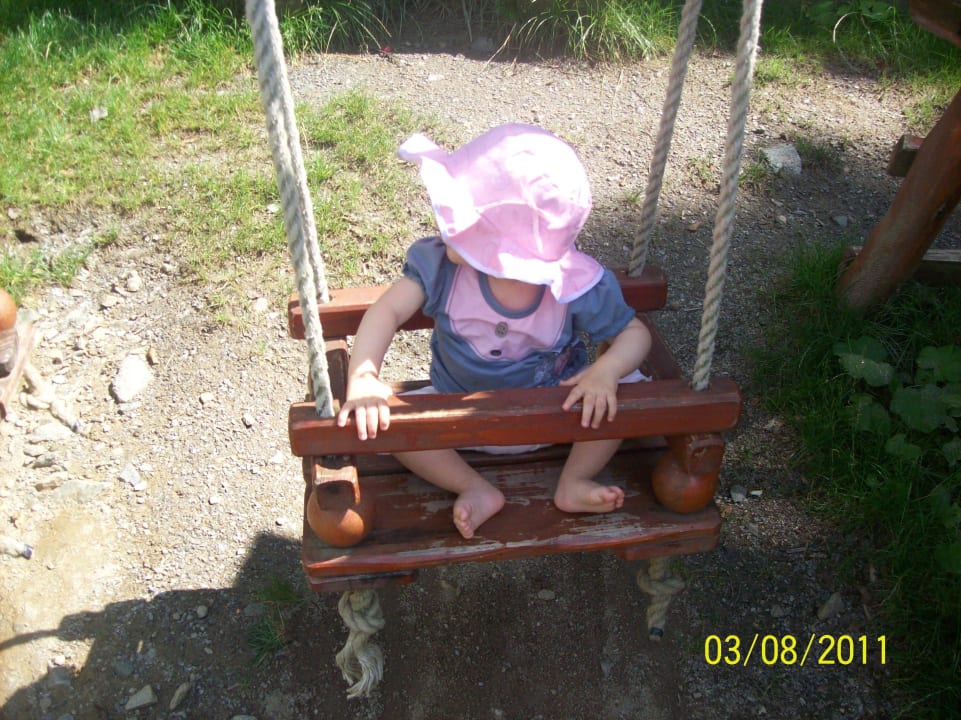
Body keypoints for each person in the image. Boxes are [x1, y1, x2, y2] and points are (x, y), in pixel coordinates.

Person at [336, 123, 652, 539]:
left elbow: (634, 334)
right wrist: (363, 377)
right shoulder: (441, 268)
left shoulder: (573, 285)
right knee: (387, 423)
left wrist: (605, 372)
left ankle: (575, 479)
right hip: (456, 416)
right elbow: (388, 311)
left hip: (561, 415)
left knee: (627, 386)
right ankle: (472, 485)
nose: (442, 223)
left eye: (460, 219)